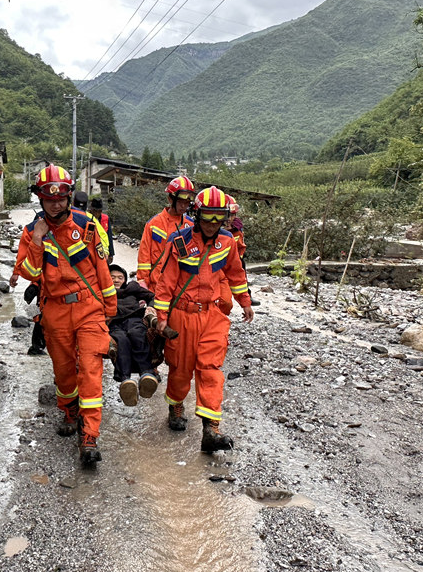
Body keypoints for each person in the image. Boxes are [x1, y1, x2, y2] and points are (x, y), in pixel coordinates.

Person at [14, 164, 117, 465]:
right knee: (64, 372)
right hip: (55, 310)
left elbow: (101, 270)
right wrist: (37, 240)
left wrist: (110, 310)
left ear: (69, 197)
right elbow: (29, 272)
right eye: (49, 198)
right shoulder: (31, 233)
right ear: (41, 199)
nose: (56, 203)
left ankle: (89, 436)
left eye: (61, 198)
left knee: (90, 370)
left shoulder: (87, 226)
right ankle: (70, 412)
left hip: (88, 308)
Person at [152, 186, 254, 453]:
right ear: (197, 214)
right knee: (181, 369)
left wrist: (245, 301)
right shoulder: (179, 242)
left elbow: (235, 274)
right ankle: (176, 406)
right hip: (182, 316)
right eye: (207, 216)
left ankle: (211, 428)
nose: (212, 223)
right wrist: (161, 316)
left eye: (218, 217)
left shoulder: (227, 242)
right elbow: (166, 283)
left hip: (211, 314)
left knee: (211, 369)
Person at [107, 263, 158, 406]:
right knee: (121, 340)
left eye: (120, 277)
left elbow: (151, 297)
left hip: (134, 318)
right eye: (112, 277)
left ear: (125, 279)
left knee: (137, 334)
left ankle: (147, 373)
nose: (116, 280)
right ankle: (126, 380)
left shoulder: (132, 288)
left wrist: (151, 308)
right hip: (114, 321)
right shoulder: (102, 290)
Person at [136, 176, 195, 292]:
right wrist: (143, 285)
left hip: (181, 288)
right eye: (181, 202)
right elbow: (144, 257)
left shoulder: (191, 225)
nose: (184, 206)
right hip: (156, 286)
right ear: (170, 199)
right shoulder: (154, 224)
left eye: (187, 202)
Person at [224, 194, 261, 307]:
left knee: (241, 276)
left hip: (236, 257)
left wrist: (238, 257)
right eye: (228, 215)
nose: (230, 219)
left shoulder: (237, 227)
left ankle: (246, 298)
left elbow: (241, 245)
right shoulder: (211, 229)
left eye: (233, 215)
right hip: (218, 259)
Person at [73, 191, 112, 264]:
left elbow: (104, 236)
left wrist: (107, 252)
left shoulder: (92, 218)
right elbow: (103, 236)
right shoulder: (90, 218)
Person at [90, 198, 114, 264]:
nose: (97, 213)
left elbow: (109, 236)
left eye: (99, 211)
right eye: (95, 211)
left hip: (103, 250)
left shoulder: (105, 218)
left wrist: (111, 253)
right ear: (91, 210)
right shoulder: (87, 217)